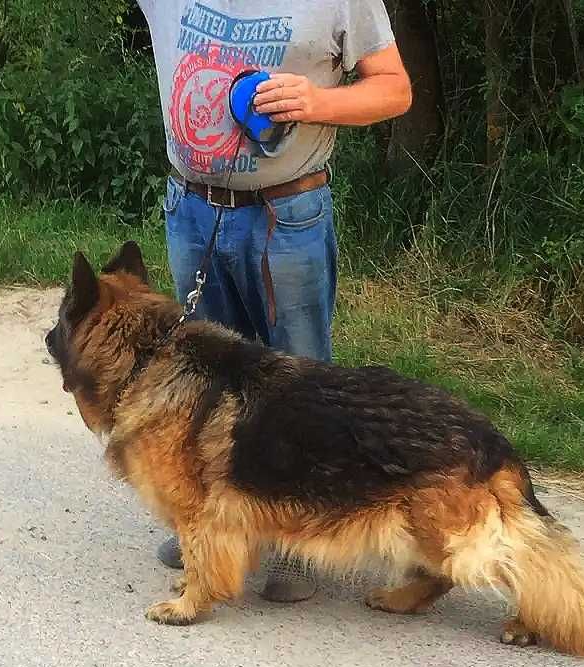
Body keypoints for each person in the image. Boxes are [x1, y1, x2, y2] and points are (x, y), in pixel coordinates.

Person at [137, 0, 412, 601]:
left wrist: (317, 102)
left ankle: (301, 540)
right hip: (192, 208)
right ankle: (218, 525)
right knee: (203, 382)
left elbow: (395, 89)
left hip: (287, 213)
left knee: (300, 383)